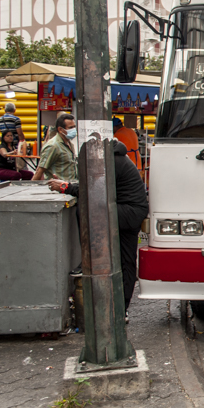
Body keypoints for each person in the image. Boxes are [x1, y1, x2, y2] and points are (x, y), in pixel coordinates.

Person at [48, 139, 149, 312]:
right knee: (126, 259)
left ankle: (88, 256)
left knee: (86, 209)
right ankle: (120, 308)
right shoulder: (116, 159)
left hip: (129, 211)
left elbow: (93, 191)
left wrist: (65, 187)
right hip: (129, 210)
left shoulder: (114, 162)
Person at [32, 114, 78, 181]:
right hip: (57, 188)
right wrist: (32, 188)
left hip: (70, 187)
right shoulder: (53, 146)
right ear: (60, 129)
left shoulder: (70, 144)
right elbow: (40, 170)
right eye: (70, 128)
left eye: (74, 127)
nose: (73, 130)